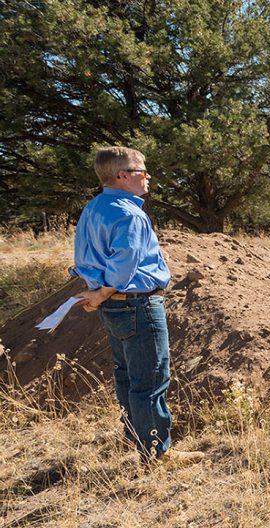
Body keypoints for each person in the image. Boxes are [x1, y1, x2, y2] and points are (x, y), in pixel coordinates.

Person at [72, 146, 203, 465]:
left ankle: (137, 438)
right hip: (138, 304)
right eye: (141, 171)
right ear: (121, 176)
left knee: (127, 376)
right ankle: (158, 453)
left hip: (114, 307)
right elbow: (125, 263)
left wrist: (96, 293)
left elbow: (86, 257)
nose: (147, 177)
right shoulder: (129, 213)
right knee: (151, 380)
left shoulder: (94, 208)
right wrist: (101, 293)